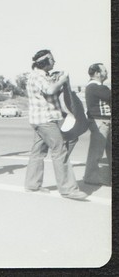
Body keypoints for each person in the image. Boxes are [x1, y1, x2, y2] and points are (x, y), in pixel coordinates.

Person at [24, 50, 87, 200]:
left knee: (37, 153)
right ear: (44, 62)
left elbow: (49, 91)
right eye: (52, 59)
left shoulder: (37, 76)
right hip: (46, 120)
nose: (54, 62)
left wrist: (55, 79)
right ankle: (68, 189)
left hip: (38, 120)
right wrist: (62, 80)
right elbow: (51, 90)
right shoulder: (38, 76)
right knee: (60, 151)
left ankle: (32, 185)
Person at [83, 63, 111, 186]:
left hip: (104, 121)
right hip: (100, 122)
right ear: (97, 73)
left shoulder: (95, 86)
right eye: (104, 71)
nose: (107, 73)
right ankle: (90, 177)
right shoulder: (95, 86)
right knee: (96, 152)